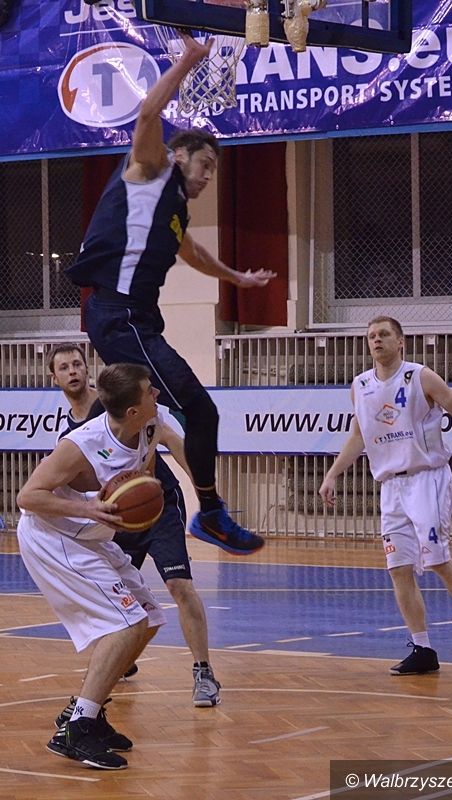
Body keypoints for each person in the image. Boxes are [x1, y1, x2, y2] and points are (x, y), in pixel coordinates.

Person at [66, 33, 275, 557]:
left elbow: (192, 251)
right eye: (205, 165)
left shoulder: (174, 208)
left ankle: (125, 512)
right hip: (117, 314)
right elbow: (146, 116)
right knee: (198, 410)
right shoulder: (150, 169)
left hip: (133, 319)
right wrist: (187, 61)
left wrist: (237, 279)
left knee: (152, 414)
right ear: (180, 156)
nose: (208, 177)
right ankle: (211, 514)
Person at [16, 363, 182, 769]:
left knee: (149, 616)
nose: (157, 393)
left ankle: (85, 710)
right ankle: (77, 731)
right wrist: (88, 508)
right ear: (132, 410)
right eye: (149, 390)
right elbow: (27, 496)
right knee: (128, 623)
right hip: (53, 537)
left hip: (90, 536)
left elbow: (155, 465)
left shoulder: (149, 424)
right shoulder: (81, 444)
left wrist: (202, 498)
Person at [319, 316, 452, 675]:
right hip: (391, 486)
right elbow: (358, 436)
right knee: (399, 568)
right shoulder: (360, 385)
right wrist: (332, 474)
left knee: (436, 560)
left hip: (427, 479)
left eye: (384, 334)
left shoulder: (420, 377)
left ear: (400, 341)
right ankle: (423, 648)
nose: (376, 340)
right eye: (371, 336)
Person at [47, 342, 221, 709]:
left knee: (178, 583)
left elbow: (173, 440)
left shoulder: (126, 402)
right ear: (55, 378)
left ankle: (203, 671)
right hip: (116, 517)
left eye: (77, 363)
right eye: (64, 367)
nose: (73, 371)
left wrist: (206, 496)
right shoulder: (71, 436)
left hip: (156, 506)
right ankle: (118, 660)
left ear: (88, 369)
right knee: (114, 598)